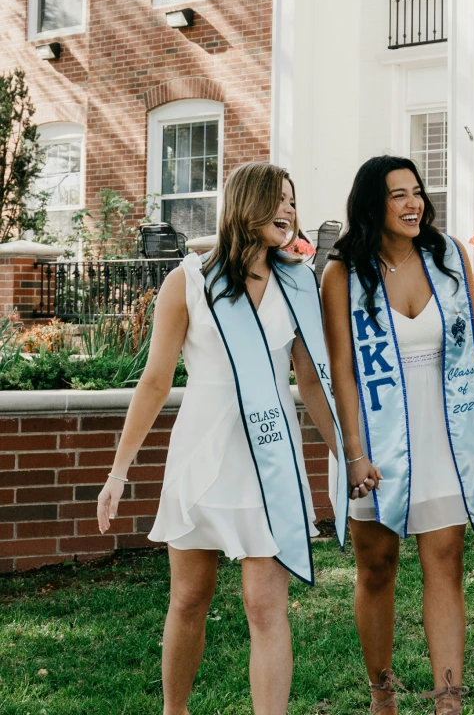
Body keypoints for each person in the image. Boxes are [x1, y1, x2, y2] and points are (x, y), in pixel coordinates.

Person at [96, 162, 347, 715]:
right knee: (189, 599)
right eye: (277, 199)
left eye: (292, 200)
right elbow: (156, 382)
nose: (289, 210)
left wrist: (347, 455)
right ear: (245, 205)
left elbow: (309, 380)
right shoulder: (187, 280)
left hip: (269, 459)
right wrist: (119, 471)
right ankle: (174, 710)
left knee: (265, 606)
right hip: (202, 455)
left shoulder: (298, 280)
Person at [320, 155, 474, 715]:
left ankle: (448, 700)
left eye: (417, 192)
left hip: (444, 430)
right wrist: (353, 453)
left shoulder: (448, 256)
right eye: (398, 194)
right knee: (377, 565)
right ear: (371, 203)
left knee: (446, 559)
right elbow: (343, 371)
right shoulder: (343, 274)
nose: (413, 203)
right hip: (375, 434)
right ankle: (382, 695)